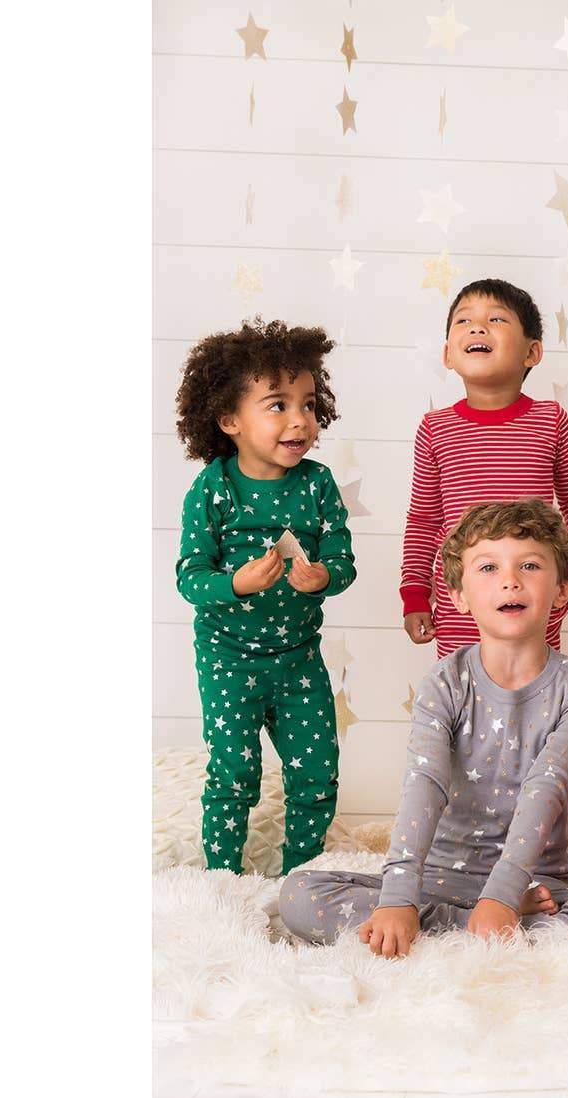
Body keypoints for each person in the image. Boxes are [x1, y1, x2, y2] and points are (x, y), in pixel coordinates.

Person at [282, 499, 568, 955]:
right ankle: (469, 924)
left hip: (532, 880)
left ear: (563, 589)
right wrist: (398, 898)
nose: (510, 579)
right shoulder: (444, 683)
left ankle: (478, 919)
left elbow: (546, 789)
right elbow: (424, 783)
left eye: (529, 565)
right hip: (439, 878)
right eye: (488, 567)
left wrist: (503, 894)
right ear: (459, 596)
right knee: (298, 894)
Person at [174, 318, 356, 873]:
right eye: (278, 405)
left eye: (308, 404)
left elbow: (343, 561)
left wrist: (323, 577)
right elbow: (190, 579)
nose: (300, 419)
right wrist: (236, 584)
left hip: (299, 658)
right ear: (229, 419)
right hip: (229, 660)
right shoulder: (213, 488)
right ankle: (222, 879)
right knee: (234, 773)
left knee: (317, 772)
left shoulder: (318, 484)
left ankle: (302, 874)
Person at [401, 278, 568, 657]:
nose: (477, 328)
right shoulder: (435, 429)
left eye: (496, 319)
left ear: (532, 352)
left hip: (533, 594)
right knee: (463, 690)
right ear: (447, 354)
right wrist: (415, 592)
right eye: (464, 321)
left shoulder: (551, 420)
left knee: (537, 684)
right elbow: (424, 519)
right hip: (461, 599)